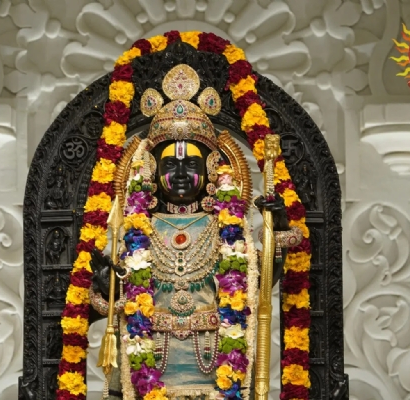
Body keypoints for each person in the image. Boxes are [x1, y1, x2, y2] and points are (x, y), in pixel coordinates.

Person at [87, 65, 302, 400]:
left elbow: (258, 283)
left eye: (191, 165)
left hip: (215, 362)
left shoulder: (225, 228)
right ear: (153, 171)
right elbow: (114, 305)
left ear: (211, 169)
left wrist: (280, 229)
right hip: (150, 362)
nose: (181, 174)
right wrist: (109, 287)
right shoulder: (138, 229)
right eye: (170, 165)